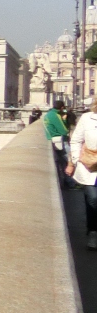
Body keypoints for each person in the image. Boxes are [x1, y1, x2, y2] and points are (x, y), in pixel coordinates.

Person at [66, 100, 97, 249]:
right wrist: (76, 160)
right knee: (93, 199)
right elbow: (76, 140)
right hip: (90, 166)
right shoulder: (87, 118)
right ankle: (93, 231)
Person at [44, 99, 70, 184]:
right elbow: (64, 130)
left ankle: (66, 181)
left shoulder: (49, 114)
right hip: (59, 140)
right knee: (69, 160)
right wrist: (65, 120)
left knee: (60, 163)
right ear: (62, 107)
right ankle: (70, 182)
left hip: (52, 139)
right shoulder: (55, 115)